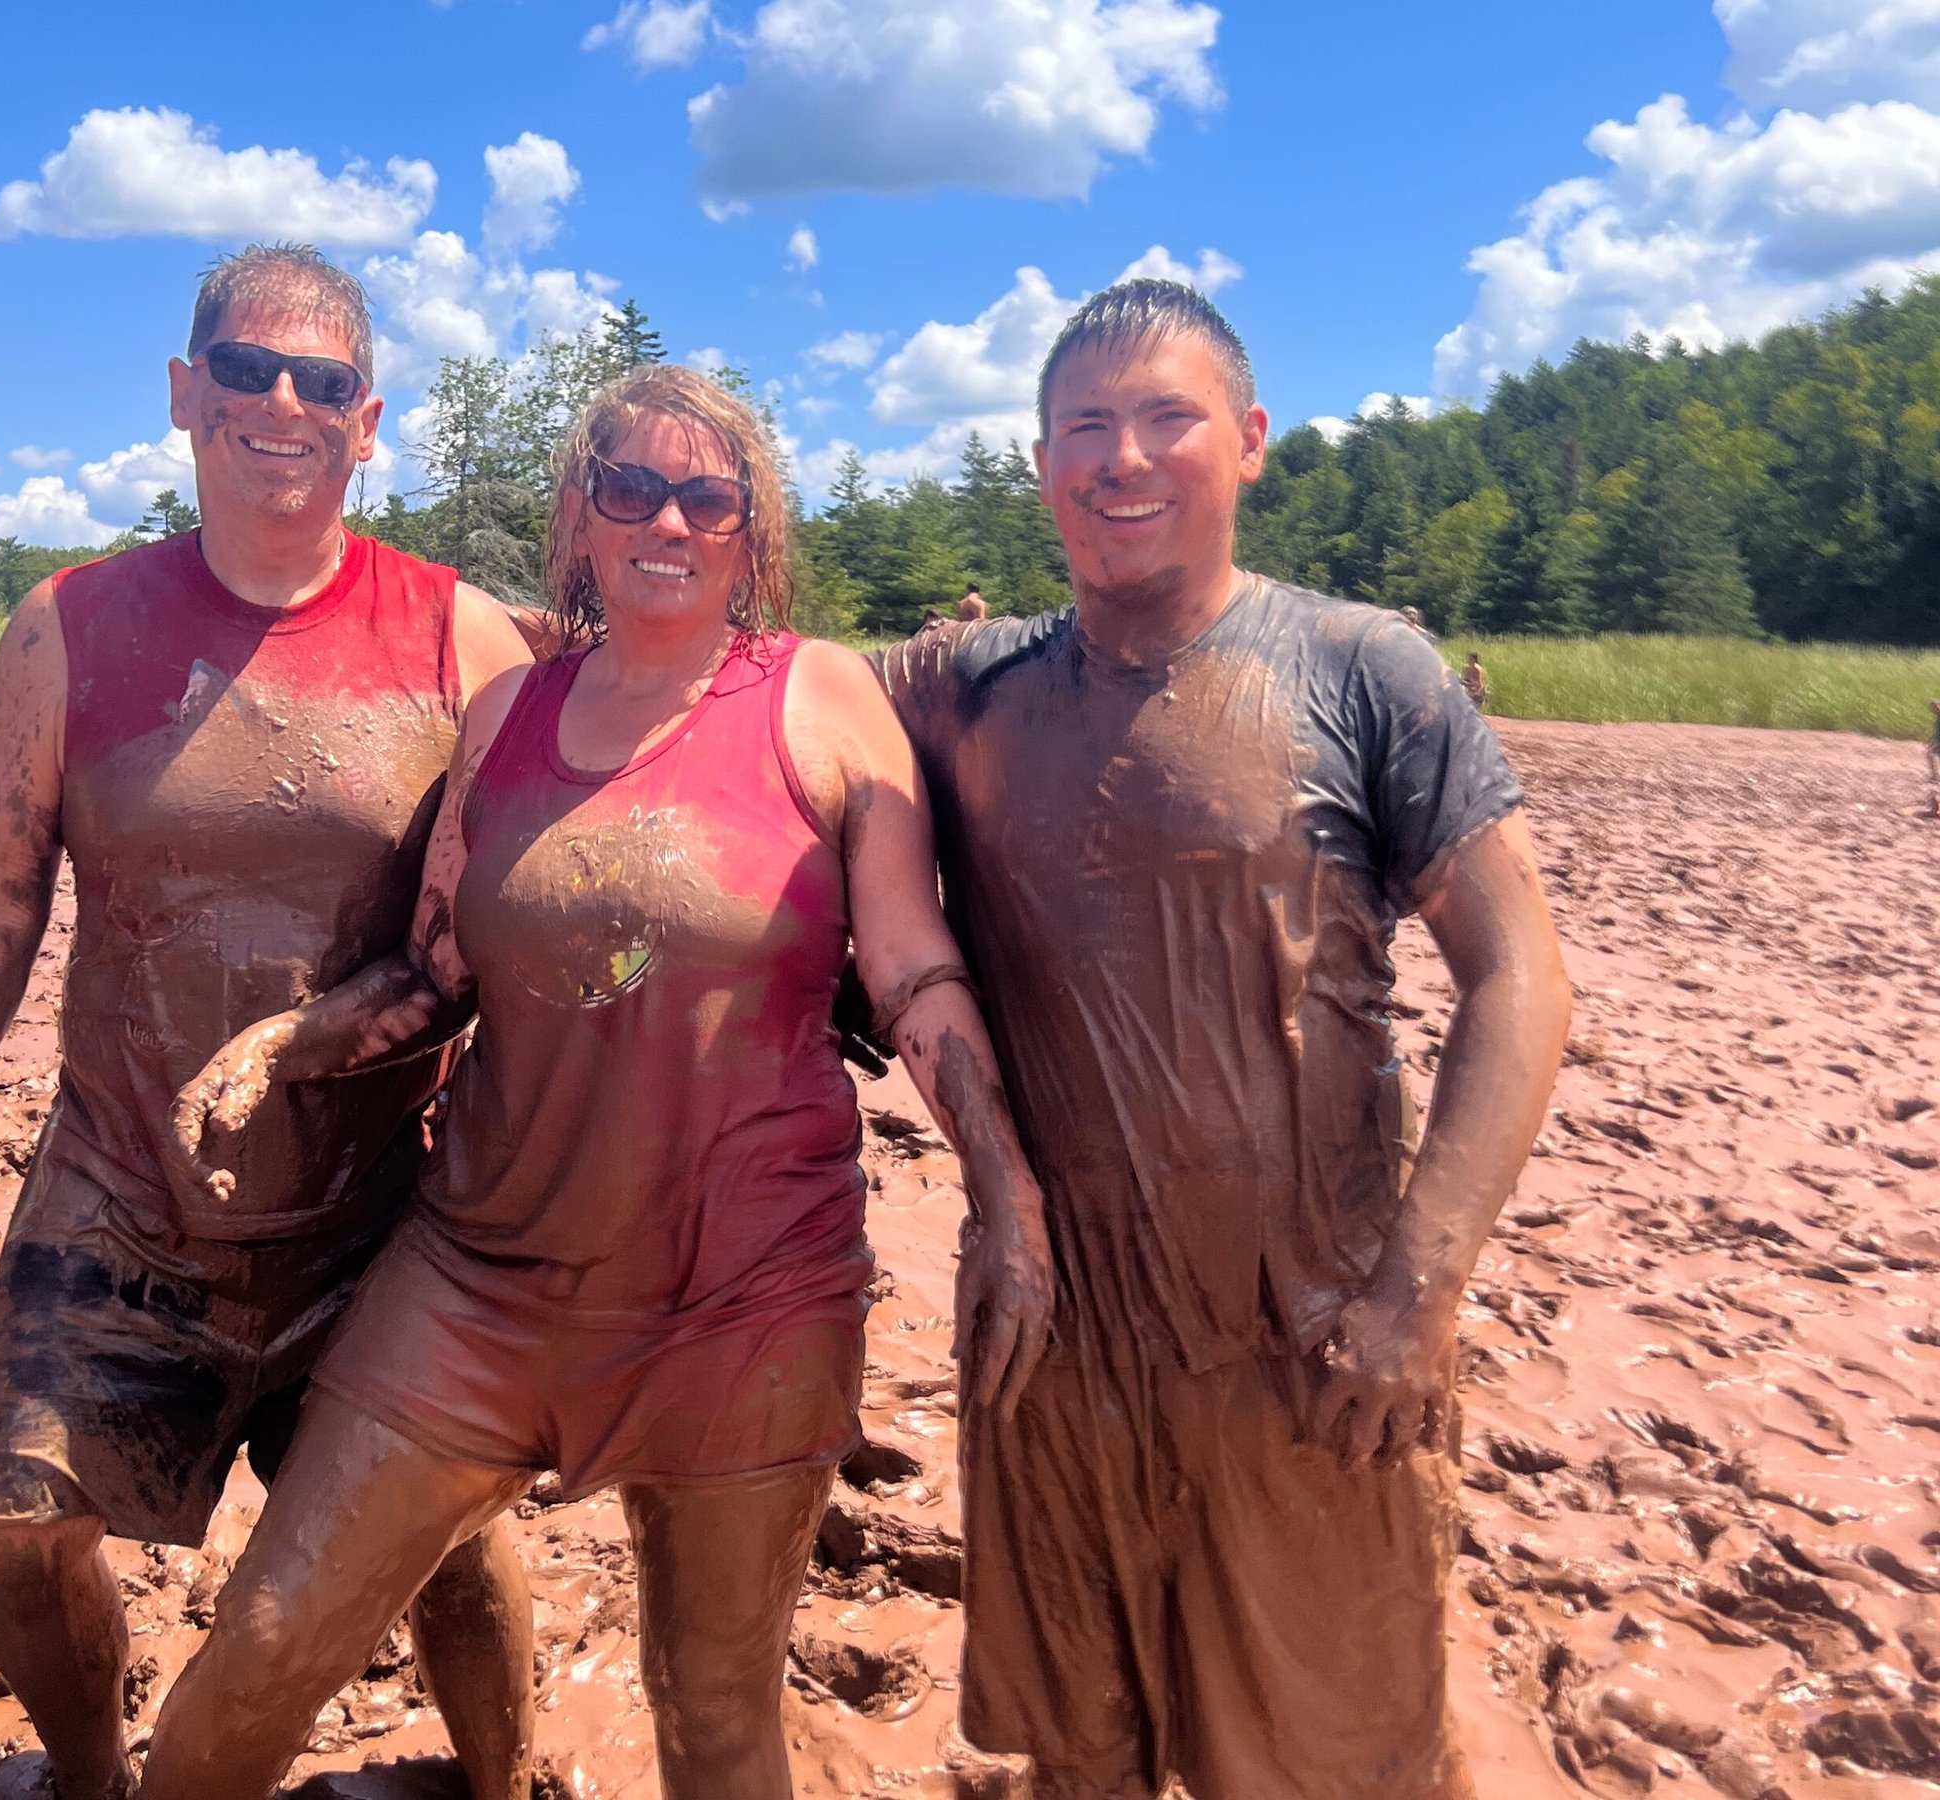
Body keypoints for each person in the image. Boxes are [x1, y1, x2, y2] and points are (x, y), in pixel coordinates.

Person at [131, 365, 1056, 1800]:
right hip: (480, 1283)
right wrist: (284, 1045)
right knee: (264, 1645)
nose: (666, 521)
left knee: (716, 1720)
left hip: (746, 1297)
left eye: (706, 495)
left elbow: (919, 978)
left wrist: (1004, 1194)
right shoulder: (506, 719)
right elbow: (437, 975)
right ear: (580, 513)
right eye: (628, 487)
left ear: (753, 531)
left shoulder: (822, 702)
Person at [0, 244, 538, 1800]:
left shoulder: (459, 640)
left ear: (368, 426)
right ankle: (91, 1771)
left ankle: (508, 1779)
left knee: (448, 1541)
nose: (279, 403)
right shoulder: (68, 628)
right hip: (120, 1187)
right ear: (184, 394)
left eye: (322, 383)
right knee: (14, 1527)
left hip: (374, 1204)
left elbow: (510, 932)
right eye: (245, 368)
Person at [877, 279, 1571, 1800]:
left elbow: (1520, 975)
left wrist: (1419, 1296)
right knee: (1082, 1752)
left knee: (1343, 1757)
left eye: (1165, 419)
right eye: (1084, 426)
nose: (1122, 457)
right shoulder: (964, 691)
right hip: (1055, 1337)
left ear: (1249, 441)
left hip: (1309, 1334)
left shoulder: (1360, 666)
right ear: (1042, 459)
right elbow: (744, 701)